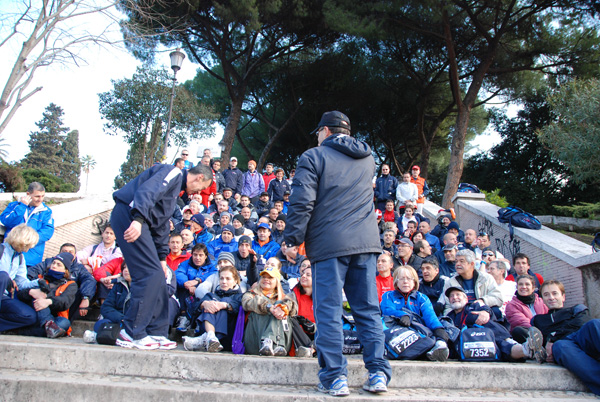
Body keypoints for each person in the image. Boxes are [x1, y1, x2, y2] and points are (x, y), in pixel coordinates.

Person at [284, 111, 391, 396]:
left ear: (326, 132)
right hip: (366, 244)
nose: (317, 138)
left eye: (318, 133)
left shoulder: (313, 157)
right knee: (368, 310)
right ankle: (378, 373)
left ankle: (335, 377)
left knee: (329, 312)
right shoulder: (368, 158)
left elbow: (302, 201)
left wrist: (292, 239)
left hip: (330, 244)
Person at [110, 163, 213, 350]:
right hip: (129, 215)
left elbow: (161, 224)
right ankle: (131, 332)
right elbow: (147, 191)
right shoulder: (172, 172)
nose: (200, 192)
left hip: (141, 222)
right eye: (203, 187)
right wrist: (137, 220)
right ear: (200, 178)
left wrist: (162, 258)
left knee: (159, 277)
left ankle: (156, 331)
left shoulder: (176, 192)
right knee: (147, 275)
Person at [532, 280, 599, 395]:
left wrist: (553, 337)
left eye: (555, 293)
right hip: (564, 345)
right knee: (560, 346)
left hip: (580, 337)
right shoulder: (537, 320)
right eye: (546, 295)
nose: (551, 297)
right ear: (542, 299)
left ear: (563, 297)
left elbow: (581, 322)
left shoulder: (577, 309)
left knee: (594, 324)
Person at [445, 286, 545, 363]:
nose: (454, 298)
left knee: (502, 344)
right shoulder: (448, 317)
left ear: (466, 299)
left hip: (487, 339)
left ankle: (527, 349)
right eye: (451, 296)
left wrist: (485, 312)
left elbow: (486, 309)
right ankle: (529, 350)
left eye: (458, 295)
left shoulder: (474, 306)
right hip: (467, 345)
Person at [380, 266, 450, 361]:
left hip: (417, 328)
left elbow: (430, 315)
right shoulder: (388, 295)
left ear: (414, 282)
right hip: (397, 328)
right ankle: (428, 349)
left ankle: (439, 346)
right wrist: (402, 315)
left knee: (445, 323)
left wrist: (438, 328)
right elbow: (387, 310)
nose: (405, 282)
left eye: (409, 279)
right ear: (396, 281)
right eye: (402, 278)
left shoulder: (422, 298)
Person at [182, 264, 244, 352]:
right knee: (210, 301)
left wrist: (225, 305)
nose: (224, 281)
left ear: (235, 281)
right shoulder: (212, 295)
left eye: (228, 279)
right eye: (221, 278)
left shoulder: (240, 296)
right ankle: (210, 336)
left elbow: (238, 308)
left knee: (224, 301)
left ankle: (206, 338)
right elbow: (194, 310)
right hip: (209, 329)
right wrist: (204, 304)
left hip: (228, 336)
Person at [17, 252, 78, 338]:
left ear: (65, 270)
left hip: (55, 318)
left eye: (59, 265)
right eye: (53, 263)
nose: (54, 266)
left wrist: (48, 301)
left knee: (64, 323)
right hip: (35, 314)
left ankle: (30, 330)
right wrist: (31, 292)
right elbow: (20, 293)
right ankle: (48, 326)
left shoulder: (71, 284)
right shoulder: (40, 279)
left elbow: (65, 302)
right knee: (38, 297)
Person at [241, 265, 298, 356]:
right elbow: (246, 303)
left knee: (281, 306)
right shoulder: (251, 294)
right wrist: (268, 307)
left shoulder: (285, 298)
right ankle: (267, 341)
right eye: (263, 277)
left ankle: (275, 343)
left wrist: (284, 308)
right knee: (263, 310)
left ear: (277, 281)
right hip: (255, 342)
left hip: (282, 346)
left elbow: (294, 308)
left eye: (270, 277)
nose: (266, 279)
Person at [0, 182, 54, 266]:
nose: (40, 199)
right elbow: (7, 222)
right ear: (28, 194)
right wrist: (22, 206)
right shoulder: (14, 205)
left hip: (31, 258)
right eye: (37, 196)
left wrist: (27, 240)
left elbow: (47, 232)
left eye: (42, 196)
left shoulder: (46, 211)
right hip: (9, 254)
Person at [0, 224, 42, 333]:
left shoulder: (20, 258)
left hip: (3, 297)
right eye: (28, 245)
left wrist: (40, 282)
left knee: (29, 316)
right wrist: (7, 279)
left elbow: (22, 283)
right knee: (3, 276)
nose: (28, 249)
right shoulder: (1, 250)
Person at [441, 249, 503, 316]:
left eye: (462, 261)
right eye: (456, 261)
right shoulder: (450, 282)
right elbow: (448, 307)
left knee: (496, 311)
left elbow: (497, 298)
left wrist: (482, 301)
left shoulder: (486, 278)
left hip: (483, 312)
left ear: (472, 264)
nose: (458, 264)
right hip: (461, 316)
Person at [505, 274, 548, 343]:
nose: (524, 287)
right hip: (528, 334)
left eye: (527, 284)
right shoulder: (511, 305)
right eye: (520, 284)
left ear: (533, 288)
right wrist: (540, 330)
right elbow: (521, 322)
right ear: (517, 287)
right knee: (518, 331)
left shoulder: (542, 302)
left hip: (545, 332)